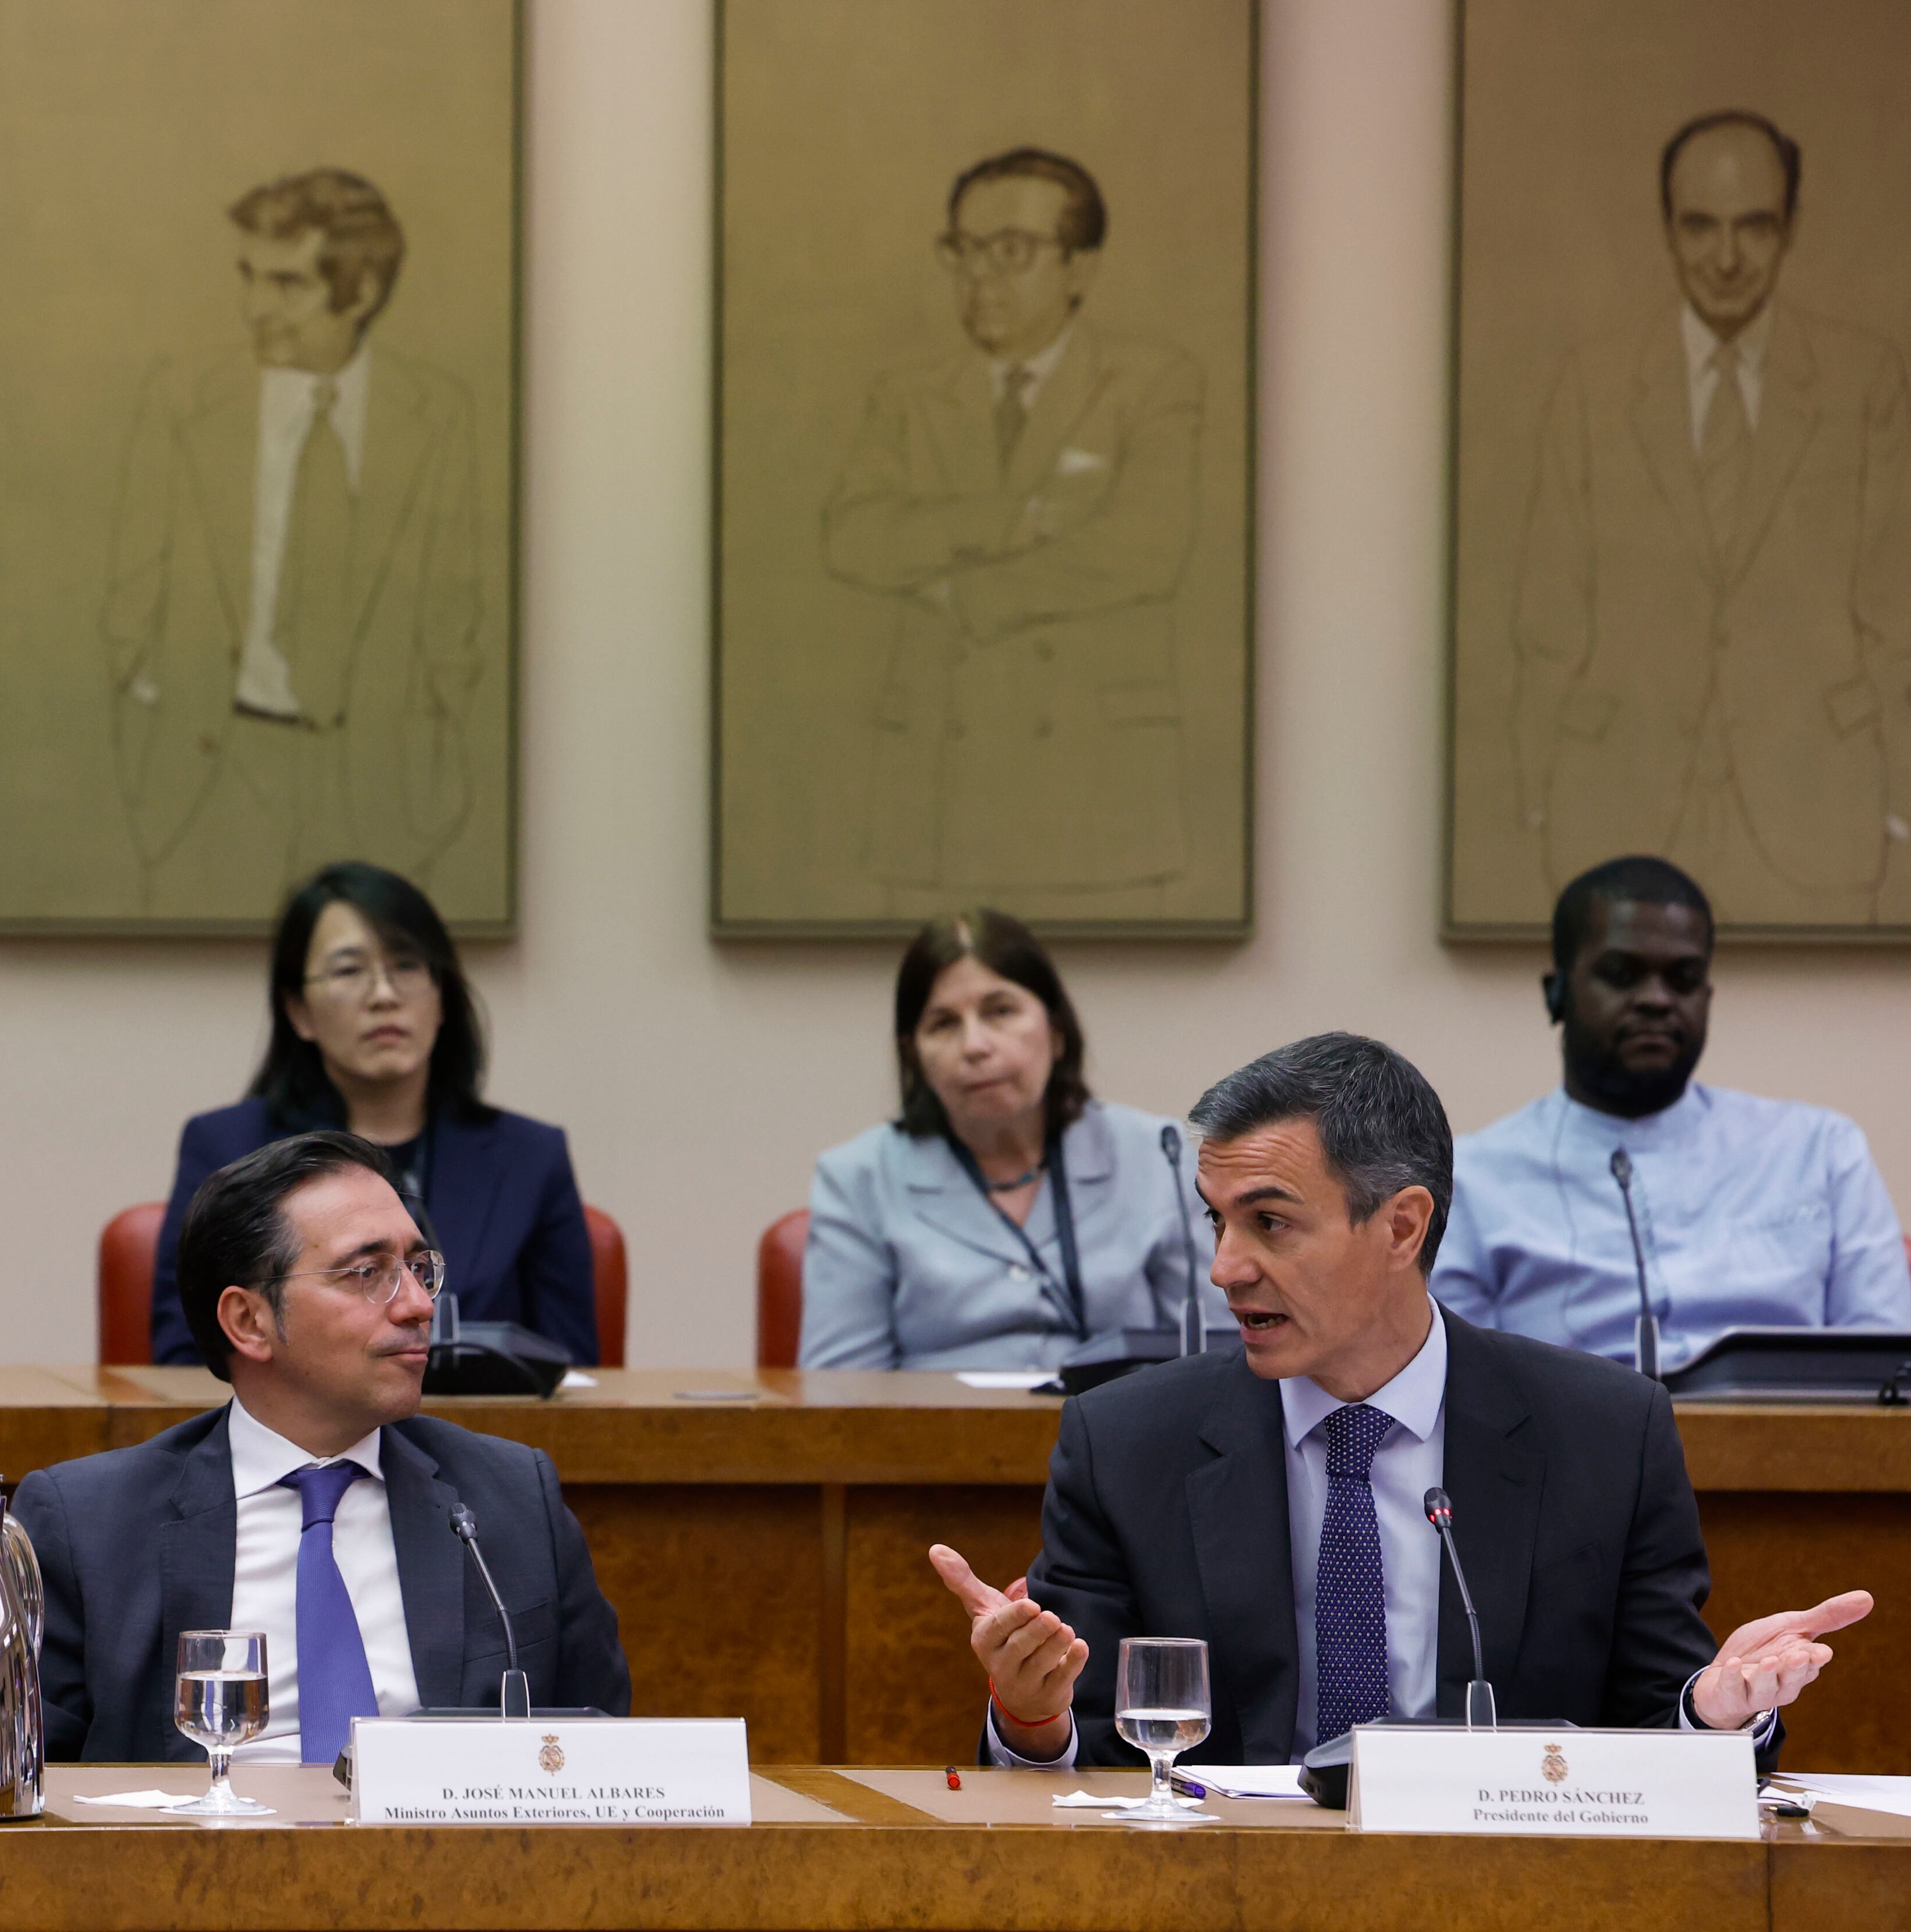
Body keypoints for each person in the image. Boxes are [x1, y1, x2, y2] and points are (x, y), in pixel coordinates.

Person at [927, 1032, 1870, 1770]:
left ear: (1402, 1226)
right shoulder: (1128, 1443)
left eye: (1270, 1222)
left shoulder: (1605, 1435)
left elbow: (1657, 1735)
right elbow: (1088, 1772)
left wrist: (1714, 1713)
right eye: (1219, 1220)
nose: (1225, 1268)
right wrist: (1033, 1718)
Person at [21, 1131, 628, 1763]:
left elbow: (607, 1753)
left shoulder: (511, 1497)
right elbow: (30, 1787)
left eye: (418, 1270)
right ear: (249, 1322)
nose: (418, 1306)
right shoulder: (87, 1526)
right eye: (367, 1274)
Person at [1511, 111, 1911, 927]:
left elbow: (1897, 616)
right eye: (1699, 225)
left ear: (1790, 226)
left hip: (1816, 812)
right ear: (1667, 228)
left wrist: (1899, 799)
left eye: (1753, 225)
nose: (1726, 258)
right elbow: (1547, 620)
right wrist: (1538, 801)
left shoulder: (1864, 380)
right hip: (1617, 808)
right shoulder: (1592, 386)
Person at [823, 148, 1202, 905]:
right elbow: (854, 536)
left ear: (1079, 268)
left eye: (1011, 251)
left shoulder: (1151, 381)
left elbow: (1142, 549)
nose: (979, 276)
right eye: (963, 250)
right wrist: (1017, 519)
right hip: (935, 784)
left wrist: (962, 595)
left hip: (1091, 781)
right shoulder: (907, 392)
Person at [103, 167, 483, 916]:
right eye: (248, 276)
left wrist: (429, 756)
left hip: (380, 790)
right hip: (210, 778)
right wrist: (151, 720)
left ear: (361, 293)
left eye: (287, 284)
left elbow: (455, 614)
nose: (254, 307)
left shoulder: (437, 414)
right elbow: (129, 599)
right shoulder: (181, 399)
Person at [1435, 856, 1910, 1367]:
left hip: (1790, 1419)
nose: (1657, 1000)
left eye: (1683, 978)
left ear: (1707, 997)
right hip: (1575, 1419)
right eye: (1622, 975)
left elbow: (1886, 1371)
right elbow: (1460, 1387)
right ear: (1557, 994)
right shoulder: (1469, 1183)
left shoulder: (1820, 1151)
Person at [149, 862, 595, 1366]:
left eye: (406, 965)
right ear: (299, 1011)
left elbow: (573, 1368)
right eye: (349, 970)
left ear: (442, 998)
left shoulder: (531, 1159)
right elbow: (187, 1357)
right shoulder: (226, 1148)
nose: (384, 995)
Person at [801, 912, 1221, 1371]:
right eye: (943, 1024)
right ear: (914, 1056)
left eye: (1000, 1011)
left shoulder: (1158, 1155)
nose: (975, 1046)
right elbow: (839, 1390)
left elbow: (1215, 1359)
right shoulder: (858, 1179)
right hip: (934, 1420)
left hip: (1122, 1418)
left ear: (1056, 1031)